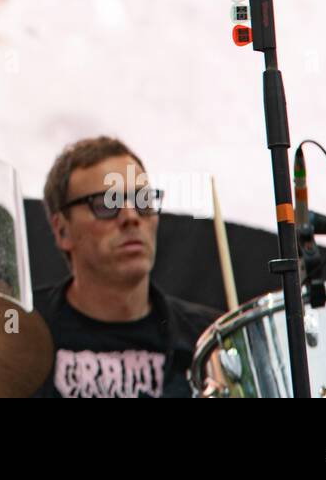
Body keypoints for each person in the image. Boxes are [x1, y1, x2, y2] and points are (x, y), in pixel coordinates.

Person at [35, 136, 220, 398]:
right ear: (62, 229)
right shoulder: (19, 332)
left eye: (143, 200)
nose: (131, 216)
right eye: (105, 204)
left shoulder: (210, 340)